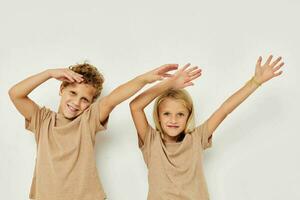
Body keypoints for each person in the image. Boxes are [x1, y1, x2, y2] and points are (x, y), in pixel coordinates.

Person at [8, 62, 179, 200]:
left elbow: (113, 99)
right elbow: (15, 94)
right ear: (62, 90)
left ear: (90, 103)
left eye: (84, 99)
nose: (76, 102)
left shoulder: (87, 121)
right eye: (72, 92)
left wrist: (144, 79)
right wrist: (49, 73)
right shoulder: (43, 120)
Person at [129, 55, 284, 199]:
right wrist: (169, 83)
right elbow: (135, 106)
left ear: (189, 116)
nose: (173, 120)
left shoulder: (196, 137)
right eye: (167, 114)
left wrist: (255, 82)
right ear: (158, 116)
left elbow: (224, 109)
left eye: (180, 114)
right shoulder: (151, 140)